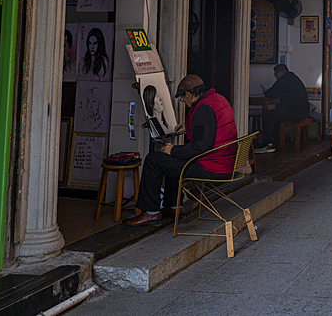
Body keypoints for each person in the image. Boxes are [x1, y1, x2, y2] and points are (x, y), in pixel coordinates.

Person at [124, 74, 237, 226]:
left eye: (183, 98)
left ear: (189, 95)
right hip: (223, 162)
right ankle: (173, 206)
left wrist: (173, 150)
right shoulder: (217, 99)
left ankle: (150, 213)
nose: (183, 101)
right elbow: (209, 129)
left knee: (153, 159)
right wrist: (188, 126)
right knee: (172, 161)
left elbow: (201, 146)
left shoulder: (203, 109)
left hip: (211, 167)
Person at [257, 64, 311, 152]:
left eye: (275, 74)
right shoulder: (294, 78)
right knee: (276, 115)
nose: (275, 76)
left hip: (295, 113)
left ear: (280, 72)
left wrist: (266, 92)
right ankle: (274, 140)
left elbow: (272, 93)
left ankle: (268, 144)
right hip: (303, 112)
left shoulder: (283, 80)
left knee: (267, 116)